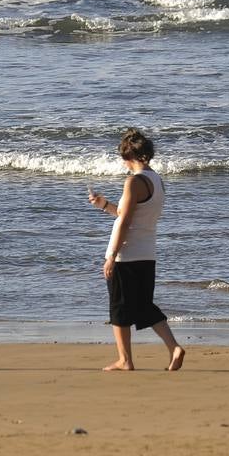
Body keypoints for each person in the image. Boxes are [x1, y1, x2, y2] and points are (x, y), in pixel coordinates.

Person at [88, 128, 186, 372]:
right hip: (147, 253)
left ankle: (125, 360)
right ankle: (173, 346)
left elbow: (125, 222)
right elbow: (130, 215)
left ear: (127, 157)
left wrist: (111, 256)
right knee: (144, 306)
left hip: (127, 254)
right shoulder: (157, 180)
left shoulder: (134, 181)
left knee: (119, 308)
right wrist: (104, 205)